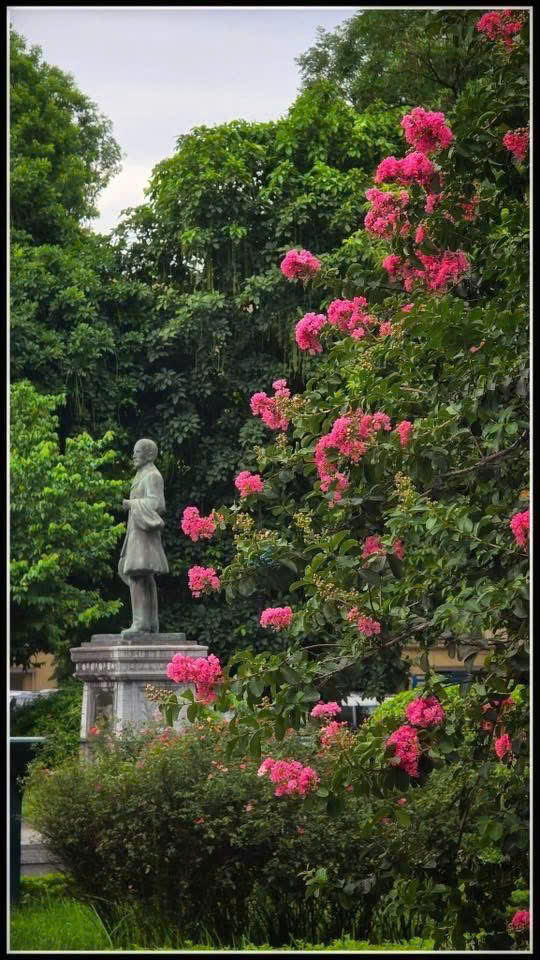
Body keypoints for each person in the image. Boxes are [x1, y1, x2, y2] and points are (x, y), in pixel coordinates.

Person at [118, 438, 169, 634]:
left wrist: (132, 503)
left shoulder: (152, 475)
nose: (133, 456)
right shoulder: (142, 475)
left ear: (148, 455)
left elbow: (158, 504)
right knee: (141, 576)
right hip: (137, 532)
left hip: (144, 534)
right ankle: (149, 623)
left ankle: (141, 623)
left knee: (138, 575)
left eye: (137, 452)